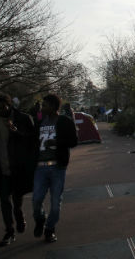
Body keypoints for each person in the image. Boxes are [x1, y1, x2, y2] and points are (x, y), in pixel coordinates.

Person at [0, 94, 37, 247]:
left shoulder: (23, 118)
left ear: (9, 105)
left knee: (17, 200)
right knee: (3, 201)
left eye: (2, 108)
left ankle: (19, 215)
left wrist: (16, 132)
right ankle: (9, 231)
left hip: (18, 167)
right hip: (1, 168)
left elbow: (33, 140)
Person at [32, 93, 77, 243]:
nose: (42, 108)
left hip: (57, 167)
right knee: (36, 200)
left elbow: (73, 141)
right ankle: (40, 218)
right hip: (40, 168)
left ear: (52, 106)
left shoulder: (64, 121)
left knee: (56, 203)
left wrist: (57, 143)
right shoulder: (39, 121)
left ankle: (50, 229)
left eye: (44, 105)